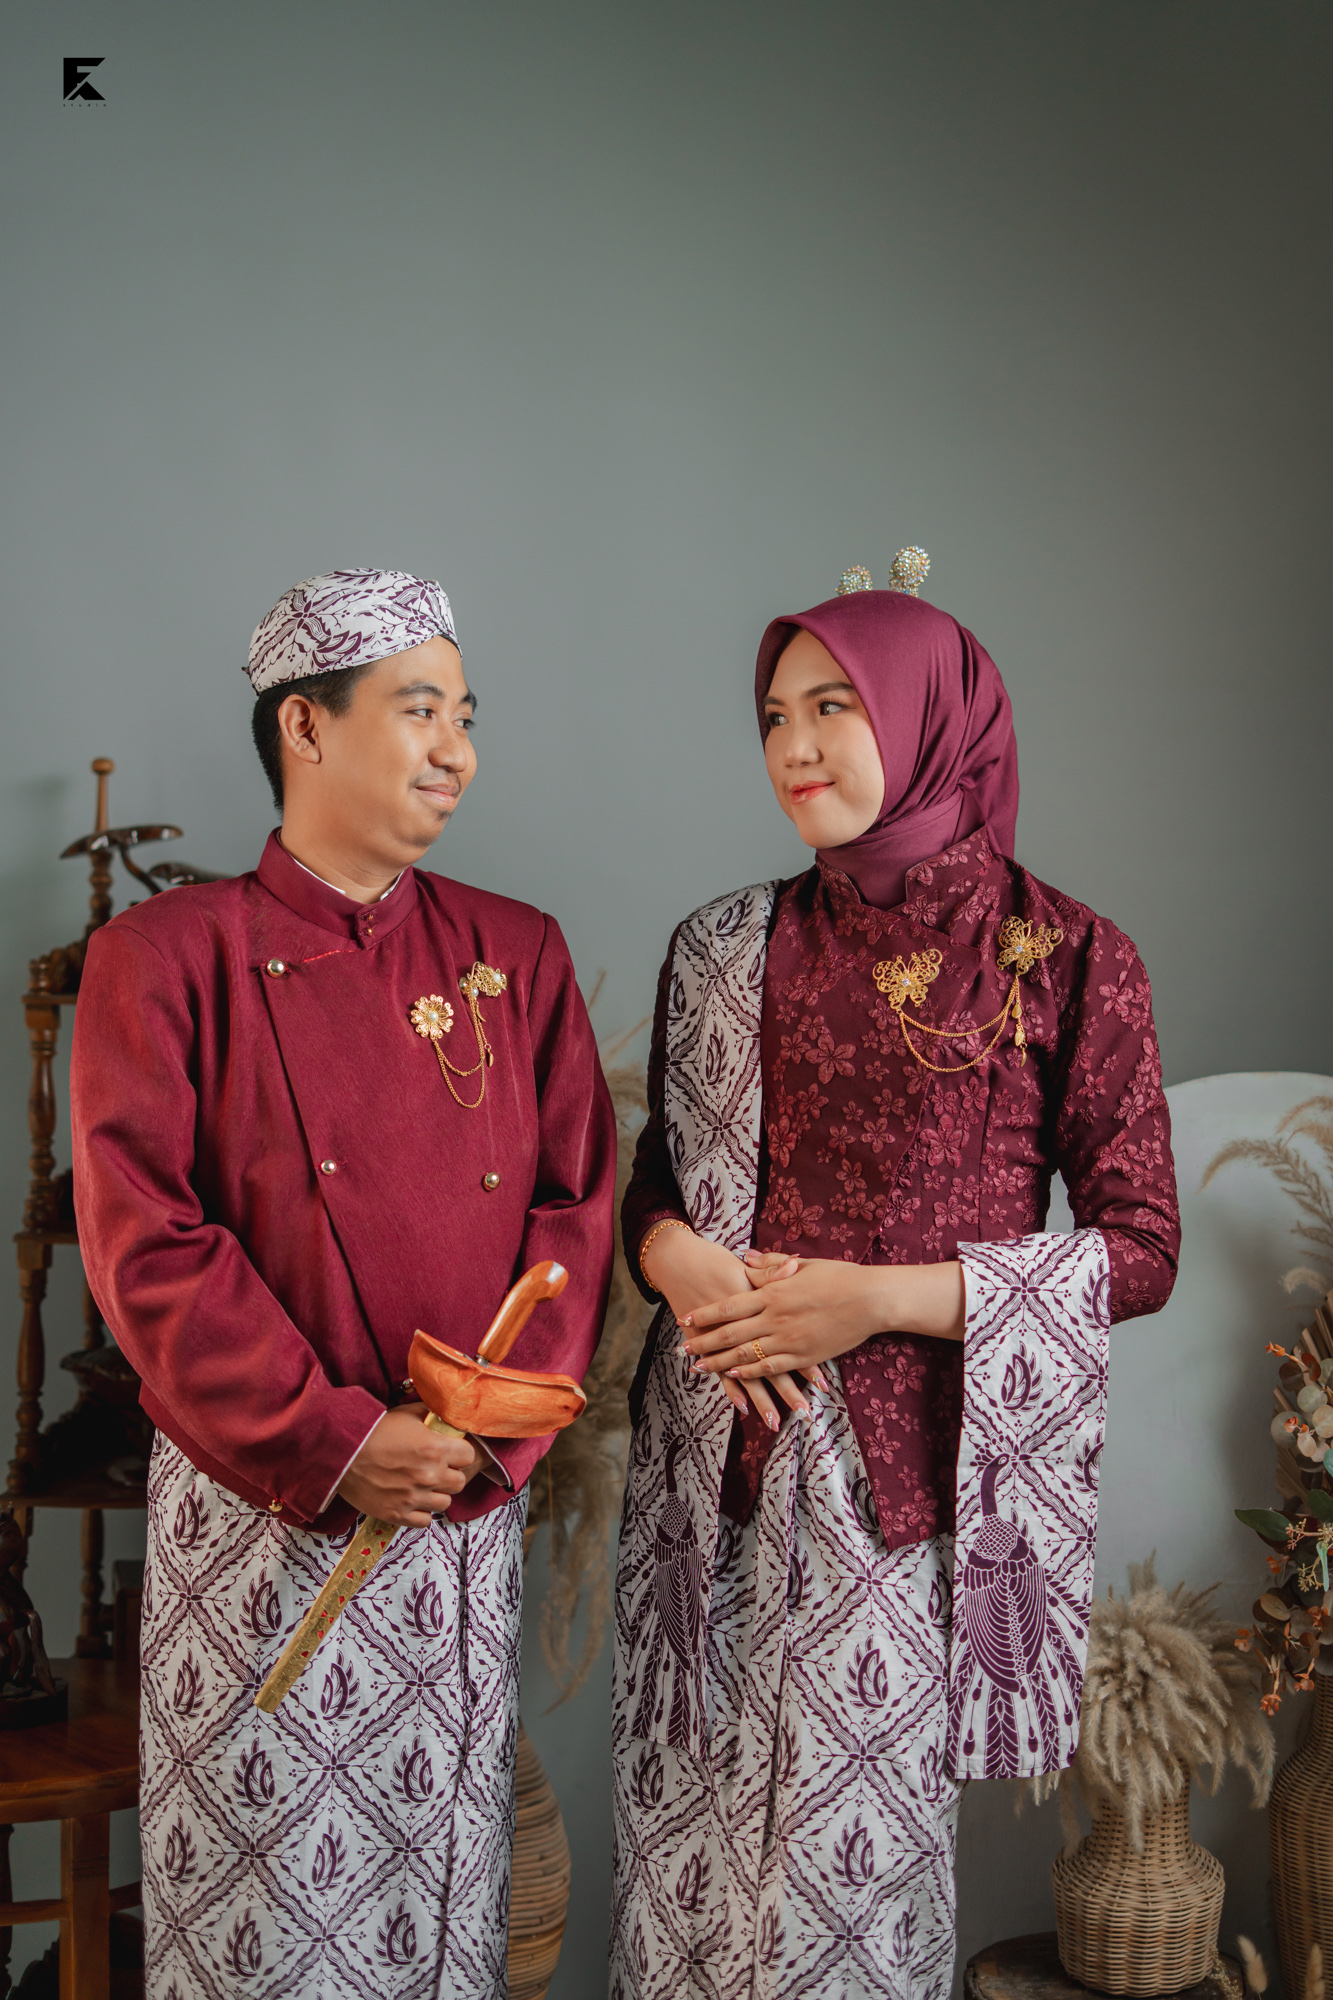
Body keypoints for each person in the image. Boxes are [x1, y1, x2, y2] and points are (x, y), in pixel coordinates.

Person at [610, 552, 1180, 2000]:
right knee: (685, 1886)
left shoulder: (1064, 958)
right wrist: (680, 1265)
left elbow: (1139, 1247)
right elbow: (655, 1186)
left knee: (840, 1921)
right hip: (712, 1477)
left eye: (834, 707)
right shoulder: (720, 946)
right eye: (772, 715)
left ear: (931, 717)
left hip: (900, 1499)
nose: (793, 748)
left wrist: (875, 1298)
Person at [71, 569, 616, 2000]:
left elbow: (573, 1213)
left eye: (467, 717)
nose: (456, 750)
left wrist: (485, 1433)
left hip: (455, 1512)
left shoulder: (516, 952)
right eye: (420, 710)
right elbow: (146, 1245)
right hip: (262, 1515)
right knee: (267, 1918)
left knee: (438, 1921)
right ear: (304, 728)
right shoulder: (163, 958)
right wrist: (337, 1439)